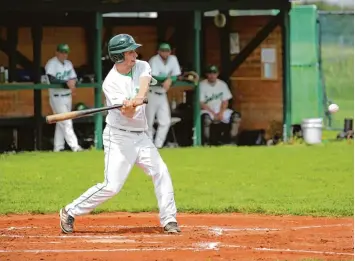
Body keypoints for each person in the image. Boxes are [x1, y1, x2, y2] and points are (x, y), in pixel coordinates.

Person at [59, 34, 181, 234]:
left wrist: (137, 98)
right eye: (130, 52)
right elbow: (129, 115)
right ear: (118, 57)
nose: (135, 54)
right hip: (119, 137)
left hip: (141, 136)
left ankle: (169, 220)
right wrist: (128, 106)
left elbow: (144, 83)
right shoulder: (111, 83)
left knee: (161, 171)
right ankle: (69, 211)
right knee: (112, 187)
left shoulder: (142, 66)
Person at [45, 43, 83, 152]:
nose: (64, 54)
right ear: (57, 52)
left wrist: (72, 82)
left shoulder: (68, 64)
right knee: (66, 121)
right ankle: (75, 147)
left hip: (67, 96)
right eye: (62, 52)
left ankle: (58, 147)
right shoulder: (52, 63)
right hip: (57, 97)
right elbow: (52, 79)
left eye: (66, 52)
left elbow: (73, 77)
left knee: (61, 122)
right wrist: (67, 83)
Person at [146, 43, 181, 149]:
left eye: (167, 51)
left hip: (162, 94)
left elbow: (176, 75)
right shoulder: (154, 60)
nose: (165, 53)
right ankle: (148, 145)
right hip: (151, 93)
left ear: (170, 52)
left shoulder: (173, 59)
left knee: (165, 121)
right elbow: (155, 77)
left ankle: (158, 145)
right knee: (149, 122)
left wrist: (170, 79)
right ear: (159, 51)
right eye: (163, 51)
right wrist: (168, 79)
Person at [199, 65, 241, 145]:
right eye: (210, 73)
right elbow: (201, 103)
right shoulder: (202, 85)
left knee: (236, 117)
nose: (212, 75)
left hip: (220, 109)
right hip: (207, 110)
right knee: (206, 119)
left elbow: (225, 101)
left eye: (214, 73)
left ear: (217, 74)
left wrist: (221, 113)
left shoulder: (222, 84)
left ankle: (232, 141)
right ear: (207, 74)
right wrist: (214, 114)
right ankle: (206, 142)